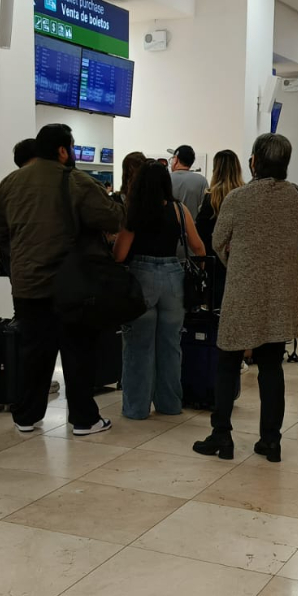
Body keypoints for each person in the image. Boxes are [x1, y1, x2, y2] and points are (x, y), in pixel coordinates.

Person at [0, 123, 124, 435]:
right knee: (78, 352)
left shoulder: (9, 183)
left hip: (26, 286)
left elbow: (0, 232)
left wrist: (19, 262)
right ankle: (83, 419)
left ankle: (26, 416)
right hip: (71, 285)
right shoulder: (76, 180)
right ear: (64, 150)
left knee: (34, 353)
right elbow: (111, 218)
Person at [192, 133, 298, 463]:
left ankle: (221, 435)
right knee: (271, 367)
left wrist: (237, 263)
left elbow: (217, 241)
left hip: (242, 291)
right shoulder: (293, 196)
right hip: (280, 292)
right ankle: (271, 441)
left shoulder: (237, 198)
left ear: (254, 161)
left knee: (227, 363)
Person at [114, 161, 204, 420]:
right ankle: (169, 404)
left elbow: (120, 255)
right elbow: (198, 247)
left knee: (138, 347)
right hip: (173, 280)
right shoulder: (179, 209)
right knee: (170, 346)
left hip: (140, 280)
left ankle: (136, 409)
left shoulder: (134, 211)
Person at [197, 149, 244, 311]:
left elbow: (201, 230)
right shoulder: (244, 196)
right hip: (240, 260)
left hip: (214, 261)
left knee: (216, 307)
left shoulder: (211, 197)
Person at [169, 144, 209, 217]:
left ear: (176, 159)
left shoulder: (166, 178)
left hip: (169, 226)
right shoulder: (202, 181)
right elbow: (205, 209)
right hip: (193, 226)